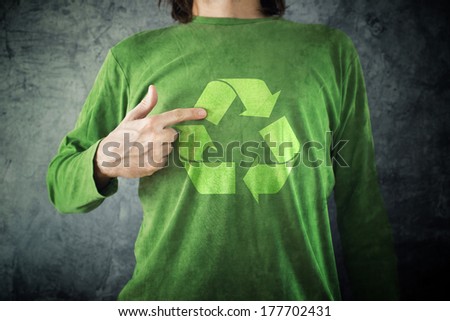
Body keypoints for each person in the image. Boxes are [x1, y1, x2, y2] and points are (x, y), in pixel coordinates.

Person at [47, 0, 400, 300]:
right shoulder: (133, 58)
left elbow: (361, 206)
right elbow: (61, 187)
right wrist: (104, 158)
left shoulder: (329, 51)